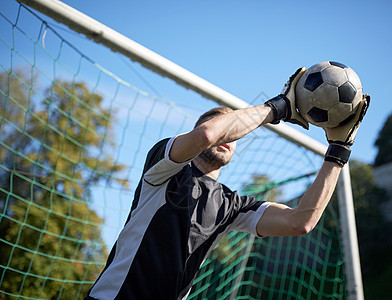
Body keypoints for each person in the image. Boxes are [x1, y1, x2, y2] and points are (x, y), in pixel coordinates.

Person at [85, 67, 370, 300]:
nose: (230, 138)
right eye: (227, 129)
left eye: (235, 135)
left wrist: (339, 152)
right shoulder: (163, 168)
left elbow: (301, 222)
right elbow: (208, 135)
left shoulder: (232, 205)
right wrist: (278, 107)